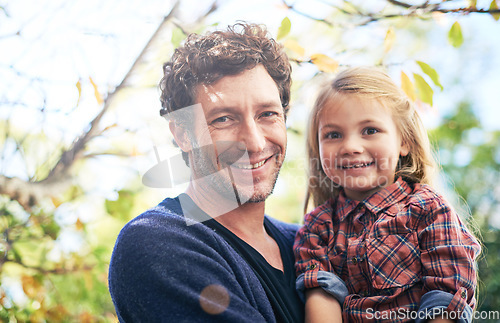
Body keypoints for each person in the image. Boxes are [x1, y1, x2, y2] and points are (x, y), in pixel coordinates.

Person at [108, 23, 304, 322]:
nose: (254, 142)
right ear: (183, 133)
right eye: (224, 119)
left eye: (267, 114)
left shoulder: (307, 243)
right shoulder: (157, 243)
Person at [293, 66, 481, 322]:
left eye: (370, 130)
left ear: (404, 141)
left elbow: (446, 299)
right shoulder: (318, 227)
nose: (351, 147)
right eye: (333, 135)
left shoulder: (429, 210)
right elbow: (321, 299)